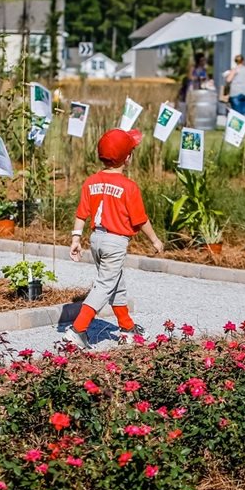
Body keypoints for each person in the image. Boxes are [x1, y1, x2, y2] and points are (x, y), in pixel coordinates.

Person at [65, 128, 164, 349]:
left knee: (116, 283)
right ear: (127, 158)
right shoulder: (129, 187)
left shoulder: (91, 182)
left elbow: (82, 213)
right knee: (104, 285)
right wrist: (155, 240)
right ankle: (79, 329)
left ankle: (127, 327)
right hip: (115, 242)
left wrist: (75, 238)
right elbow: (140, 220)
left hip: (96, 240)